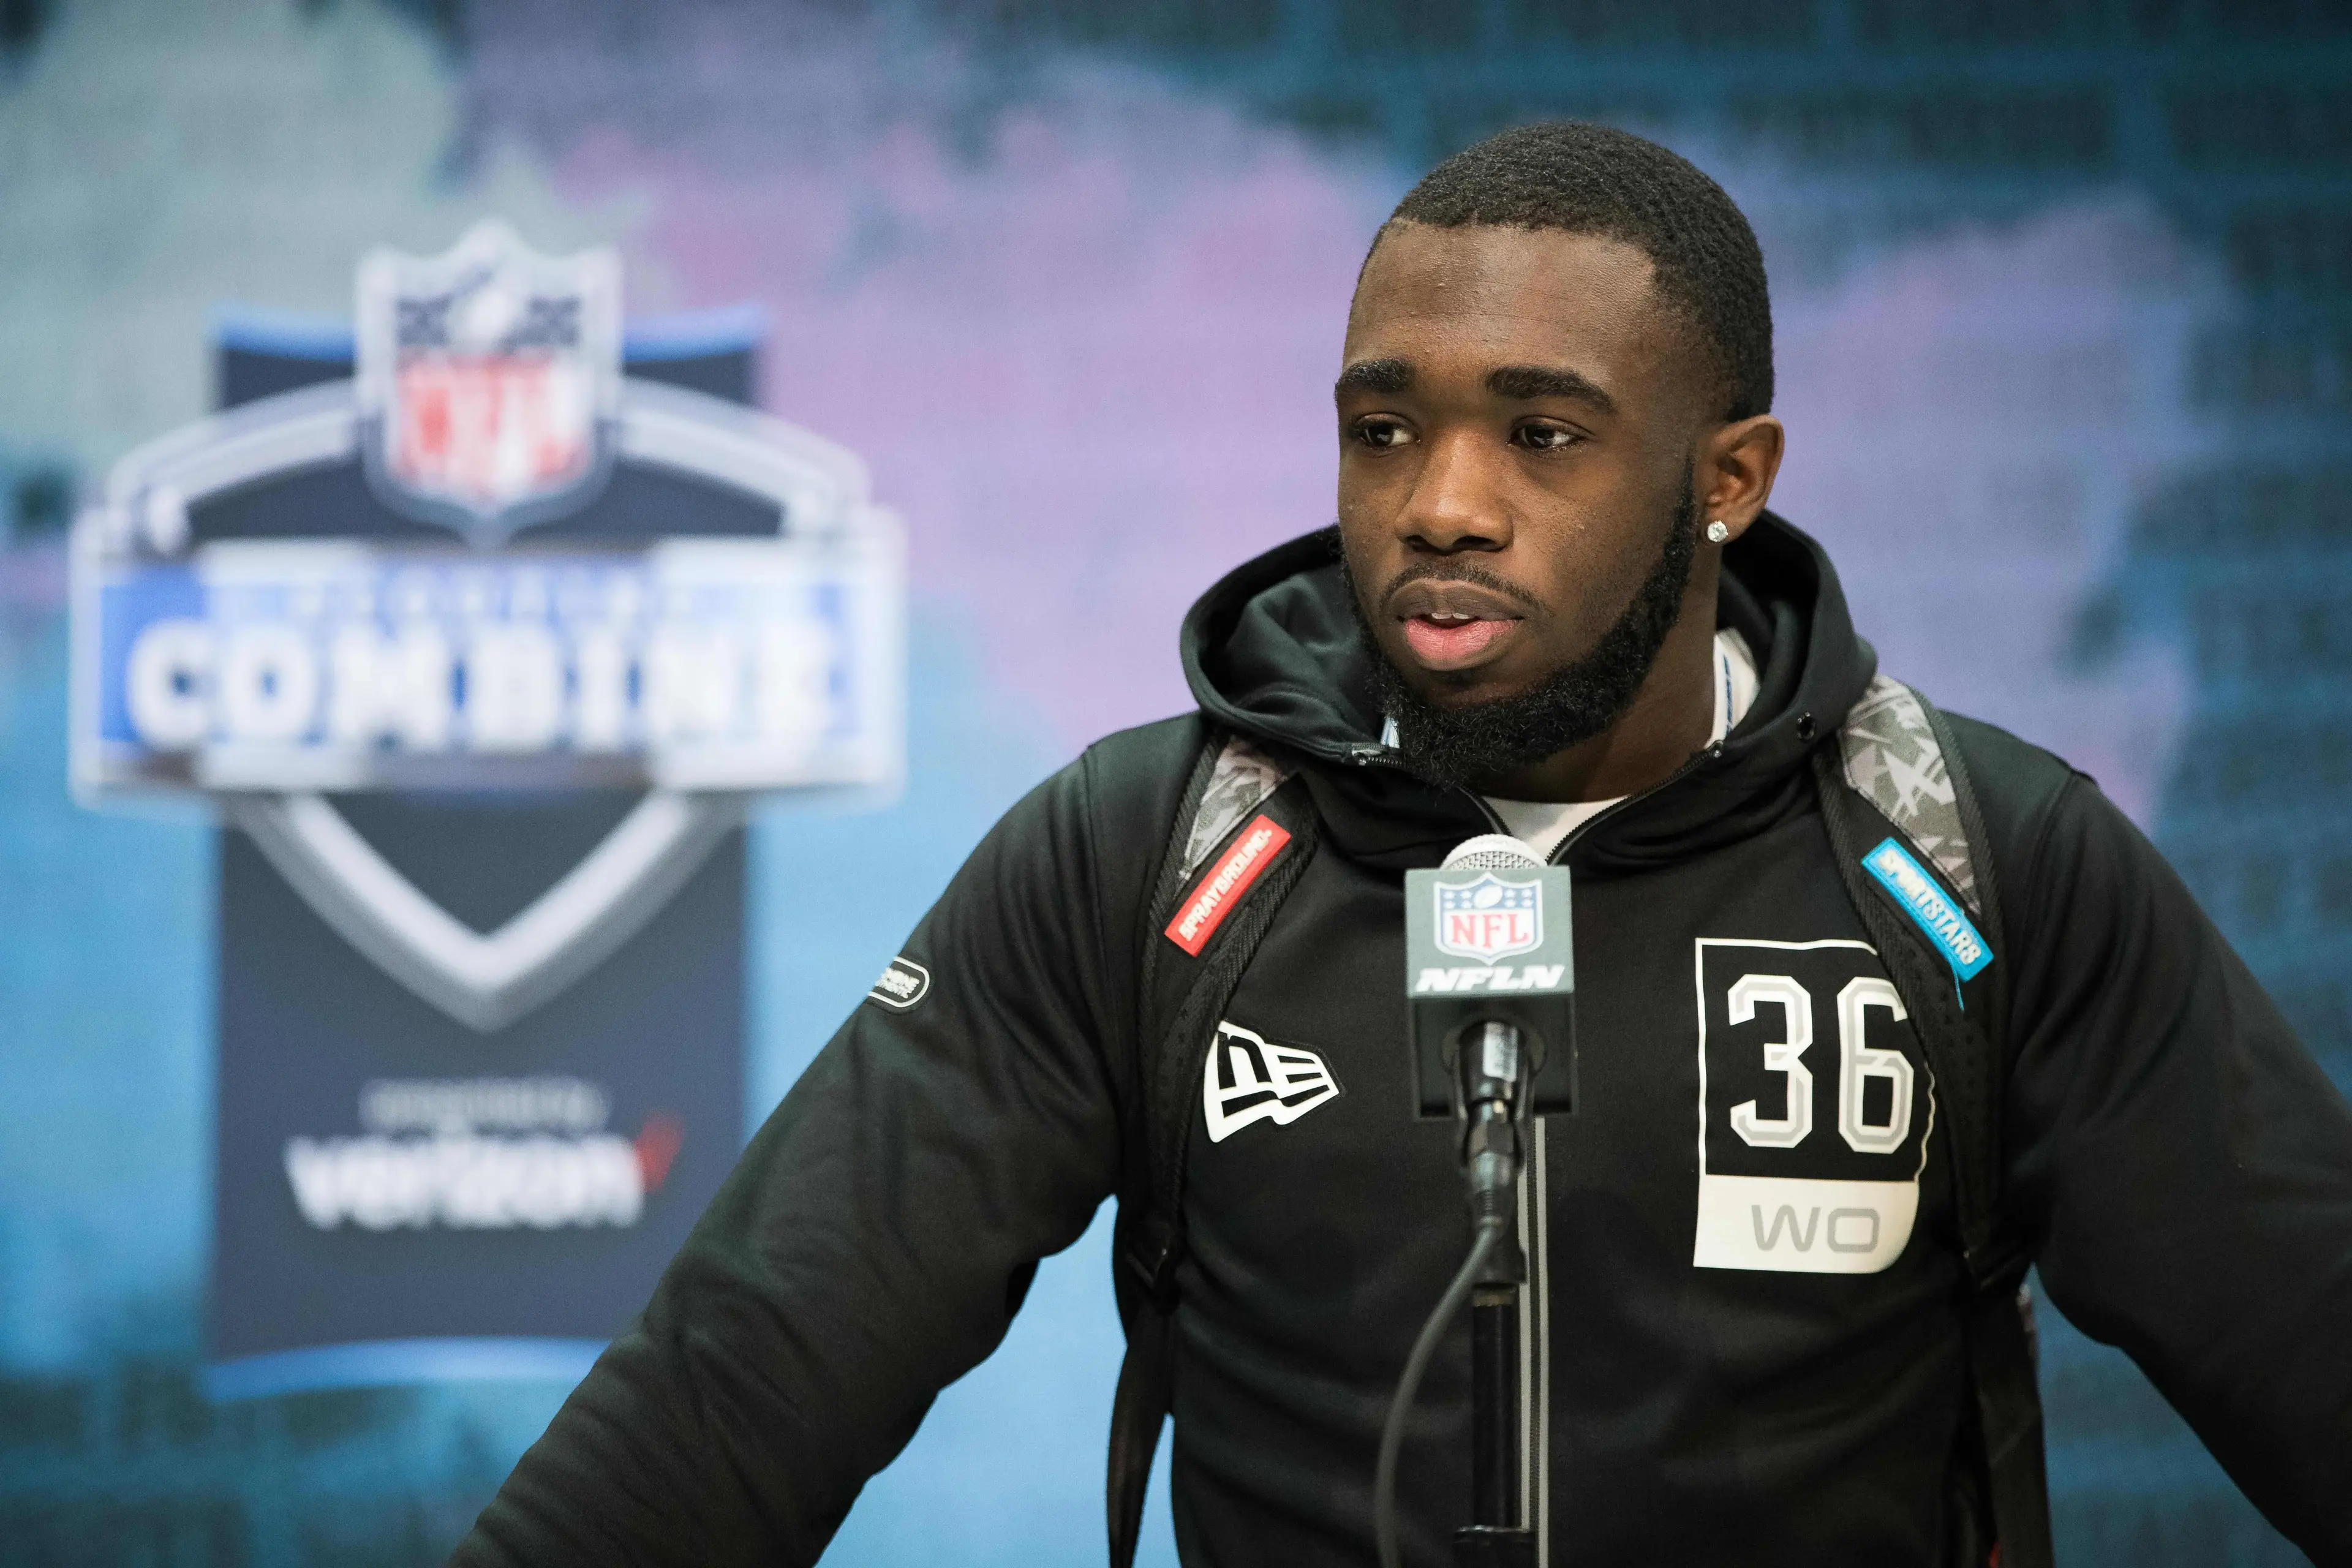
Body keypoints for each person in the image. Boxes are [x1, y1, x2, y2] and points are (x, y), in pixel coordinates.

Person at [451, 122, 2352, 1566]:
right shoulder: (1145, 857)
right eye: (1385, 430)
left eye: (1543, 436)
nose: (1442, 506)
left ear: (1728, 482)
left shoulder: (1979, 866)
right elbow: (742, 1386)